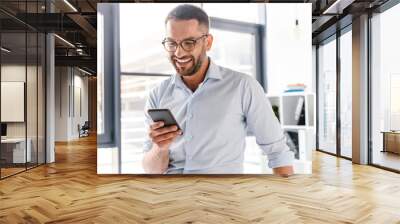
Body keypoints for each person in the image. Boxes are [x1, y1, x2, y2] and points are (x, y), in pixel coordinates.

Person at [142, 4, 294, 176]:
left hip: (222, 196)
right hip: (171, 195)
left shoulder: (243, 86)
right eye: (171, 43)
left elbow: (278, 152)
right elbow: (151, 171)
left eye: (189, 43)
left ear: (208, 42)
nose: (178, 52)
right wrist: (160, 148)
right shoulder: (158, 94)